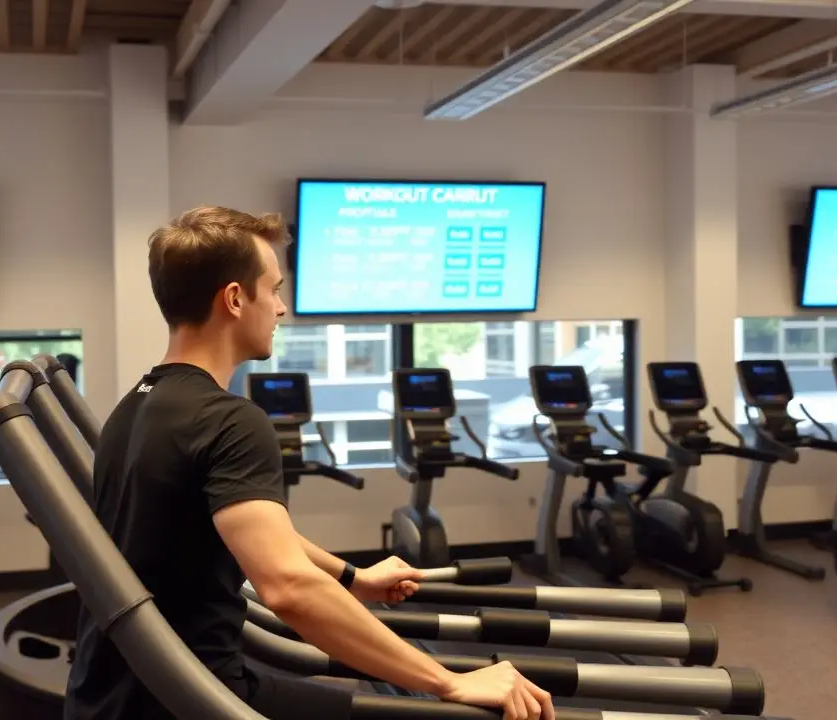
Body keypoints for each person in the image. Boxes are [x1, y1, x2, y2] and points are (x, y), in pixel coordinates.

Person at [66, 206, 554, 720]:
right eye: (273, 289)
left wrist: (352, 577)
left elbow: (244, 526)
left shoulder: (135, 406)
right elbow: (288, 588)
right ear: (234, 299)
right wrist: (448, 681)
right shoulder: (228, 419)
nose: (280, 308)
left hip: (114, 695)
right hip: (195, 701)